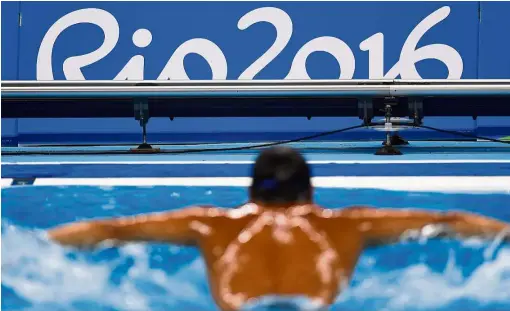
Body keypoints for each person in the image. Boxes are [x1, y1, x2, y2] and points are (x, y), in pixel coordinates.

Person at [48, 146, 509, 311]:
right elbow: (450, 222)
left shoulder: (209, 224)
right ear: (310, 195)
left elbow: (110, 228)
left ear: (250, 195)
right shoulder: (347, 224)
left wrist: (32, 246)